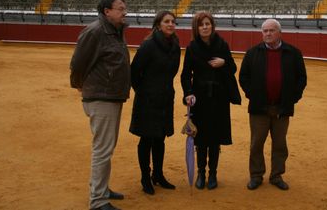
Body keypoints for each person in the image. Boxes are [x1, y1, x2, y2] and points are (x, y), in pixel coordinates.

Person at [70, 0, 131, 210]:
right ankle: (97, 201)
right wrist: (79, 86)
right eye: (120, 8)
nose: (125, 12)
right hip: (101, 97)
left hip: (111, 96)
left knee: (106, 147)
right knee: (102, 149)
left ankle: (102, 189)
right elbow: (78, 63)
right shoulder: (95, 31)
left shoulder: (114, 31)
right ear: (107, 11)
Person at [239, 18, 307, 191]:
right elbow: (243, 77)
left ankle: (276, 176)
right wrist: (252, 95)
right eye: (265, 31)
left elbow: (301, 79)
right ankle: (256, 175)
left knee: (279, 144)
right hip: (259, 108)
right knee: (256, 144)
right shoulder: (252, 52)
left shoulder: (293, 53)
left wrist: (293, 98)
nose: (268, 34)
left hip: (282, 108)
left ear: (279, 32)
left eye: (271, 30)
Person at [181, 11, 241, 190]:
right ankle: (201, 172)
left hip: (219, 98)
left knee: (215, 138)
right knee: (200, 138)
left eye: (208, 24)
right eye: (201, 25)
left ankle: (213, 173)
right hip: (199, 98)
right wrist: (188, 93)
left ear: (212, 26)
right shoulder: (192, 48)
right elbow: (186, 75)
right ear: (196, 28)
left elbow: (232, 68)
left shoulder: (222, 44)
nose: (205, 27)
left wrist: (224, 63)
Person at [129, 11, 181, 195]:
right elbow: (134, 72)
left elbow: (172, 72)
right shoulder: (148, 45)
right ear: (158, 25)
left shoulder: (175, 45)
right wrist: (144, 92)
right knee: (146, 138)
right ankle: (145, 176)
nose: (171, 24)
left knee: (160, 137)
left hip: (166, 97)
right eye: (167, 21)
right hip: (148, 99)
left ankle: (158, 175)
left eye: (173, 22)